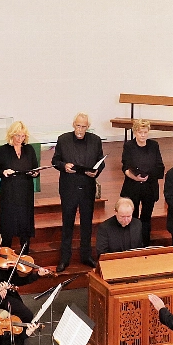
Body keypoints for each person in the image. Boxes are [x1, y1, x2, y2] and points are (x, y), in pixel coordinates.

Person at [0, 232, 49, 345]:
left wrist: (37, 274)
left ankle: (17, 339)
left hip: (6, 297)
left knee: (27, 315)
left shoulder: (4, 259)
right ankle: (0, 343)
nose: (0, 248)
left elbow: (17, 280)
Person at [52, 113, 104, 272]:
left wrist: (96, 172)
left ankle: (86, 255)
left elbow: (101, 162)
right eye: (78, 126)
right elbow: (55, 161)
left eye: (84, 126)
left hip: (87, 187)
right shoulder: (63, 139)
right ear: (73, 125)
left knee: (87, 223)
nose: (81, 129)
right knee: (67, 223)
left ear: (88, 127)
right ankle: (64, 258)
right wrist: (64, 166)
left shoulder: (95, 140)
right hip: (69, 187)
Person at [0, 122, 41, 252]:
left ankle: (24, 255)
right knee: (8, 224)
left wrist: (35, 173)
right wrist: (4, 172)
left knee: (25, 223)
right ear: (12, 135)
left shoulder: (29, 149)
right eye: (17, 135)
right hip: (10, 193)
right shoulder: (3, 150)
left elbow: (36, 169)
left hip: (25, 192)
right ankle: (5, 255)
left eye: (23, 136)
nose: (20, 139)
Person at [119, 119, 165, 245]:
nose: (143, 135)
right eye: (140, 132)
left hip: (149, 187)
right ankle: (131, 244)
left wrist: (147, 176)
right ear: (135, 132)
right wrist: (135, 177)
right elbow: (125, 167)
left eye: (145, 132)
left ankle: (145, 243)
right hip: (132, 186)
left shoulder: (154, 145)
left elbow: (160, 166)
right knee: (132, 217)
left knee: (146, 217)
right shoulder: (129, 146)